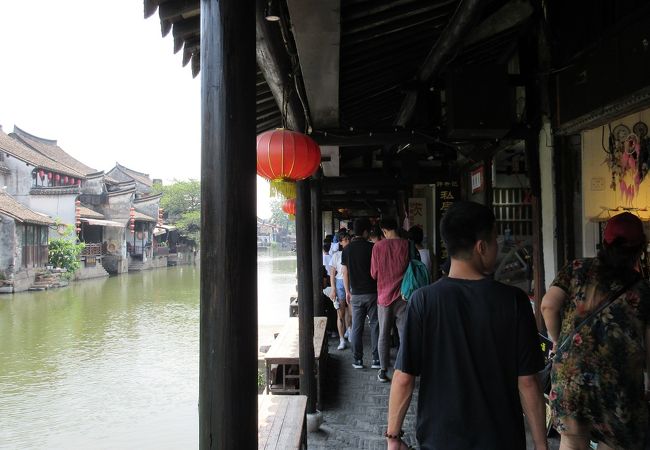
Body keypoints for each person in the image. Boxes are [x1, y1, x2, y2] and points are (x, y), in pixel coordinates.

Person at [386, 201, 547, 450]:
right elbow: (528, 382)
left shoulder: (423, 301)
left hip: (440, 440)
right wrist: (541, 445)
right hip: (501, 440)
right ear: (481, 247)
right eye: (494, 241)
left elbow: (404, 378)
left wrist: (393, 438)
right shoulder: (514, 301)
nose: (497, 248)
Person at [541, 211, 650, 450]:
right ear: (640, 249)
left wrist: (558, 341)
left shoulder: (577, 269)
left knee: (571, 440)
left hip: (571, 375)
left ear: (605, 241)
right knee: (614, 442)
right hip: (618, 381)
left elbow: (548, 305)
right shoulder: (643, 290)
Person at [371, 217, 410, 383]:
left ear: (384, 231)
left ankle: (383, 370)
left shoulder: (378, 246)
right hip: (403, 296)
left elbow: (373, 273)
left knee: (384, 335)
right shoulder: (407, 244)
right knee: (404, 334)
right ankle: (404, 368)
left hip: (384, 296)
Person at [342, 218, 380, 370]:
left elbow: (345, 273)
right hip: (372, 293)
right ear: (365, 232)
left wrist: (347, 291)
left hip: (356, 294)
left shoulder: (347, 250)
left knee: (357, 327)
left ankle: (358, 360)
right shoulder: (373, 248)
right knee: (375, 325)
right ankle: (376, 360)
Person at [329, 231, 352, 350]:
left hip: (352, 283)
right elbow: (332, 274)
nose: (347, 242)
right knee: (341, 313)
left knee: (352, 311)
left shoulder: (353, 253)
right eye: (345, 240)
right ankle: (341, 339)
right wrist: (333, 289)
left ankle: (350, 330)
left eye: (348, 239)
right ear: (340, 242)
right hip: (339, 284)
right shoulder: (336, 255)